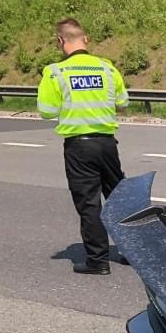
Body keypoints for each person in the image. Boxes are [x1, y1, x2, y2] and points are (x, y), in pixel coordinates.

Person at [37, 18, 129, 274]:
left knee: (89, 204)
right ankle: (135, 254)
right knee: (119, 200)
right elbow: (123, 101)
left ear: (60, 41)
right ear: (86, 39)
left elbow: (46, 111)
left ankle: (98, 262)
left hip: (79, 146)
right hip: (108, 144)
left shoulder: (55, 72)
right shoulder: (107, 68)